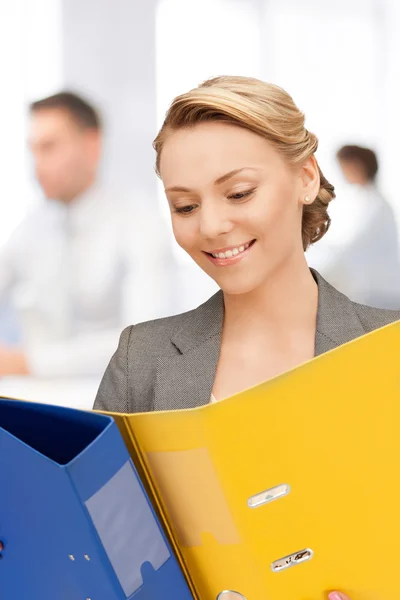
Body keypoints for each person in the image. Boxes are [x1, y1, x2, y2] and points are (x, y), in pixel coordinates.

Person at [94, 76, 400, 600]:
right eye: (184, 206)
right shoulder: (140, 360)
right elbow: (101, 559)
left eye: (238, 192)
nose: (211, 225)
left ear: (306, 178)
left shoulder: (387, 351)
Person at [0, 92, 173, 378]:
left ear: (92, 146)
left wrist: (28, 363)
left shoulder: (139, 221)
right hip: (35, 399)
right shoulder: (32, 227)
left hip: (108, 404)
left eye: (49, 147)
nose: (37, 164)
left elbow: (144, 342)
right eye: (32, 149)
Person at [307, 144, 400, 308]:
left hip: (380, 292)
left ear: (358, 165)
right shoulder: (365, 201)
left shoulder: (376, 206)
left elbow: (351, 249)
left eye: (344, 166)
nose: (343, 172)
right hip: (373, 289)